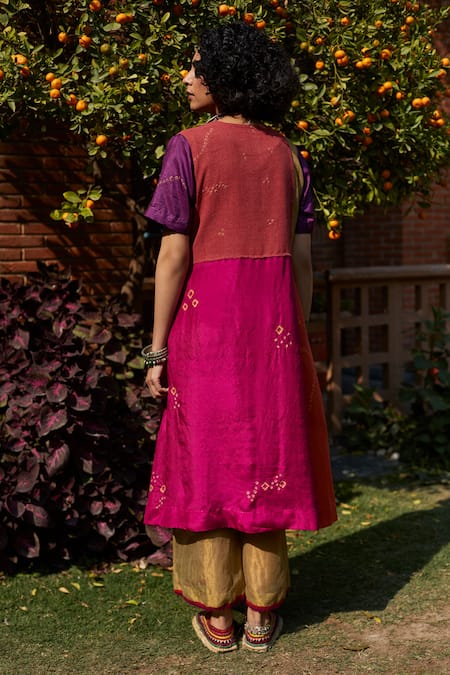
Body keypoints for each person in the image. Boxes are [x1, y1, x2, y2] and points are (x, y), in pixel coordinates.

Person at [143, 21, 337, 653]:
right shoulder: (290, 155)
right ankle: (260, 611)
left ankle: (218, 614)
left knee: (206, 458)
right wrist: (295, 333)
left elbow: (173, 256)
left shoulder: (187, 147)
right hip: (274, 332)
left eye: (197, 66)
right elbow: (303, 261)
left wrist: (156, 348)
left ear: (225, 76)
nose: (187, 77)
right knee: (265, 454)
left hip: (206, 330)